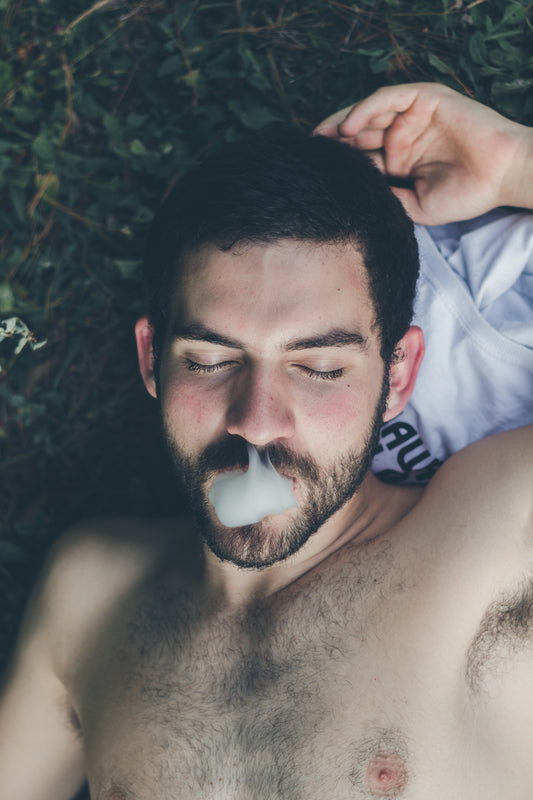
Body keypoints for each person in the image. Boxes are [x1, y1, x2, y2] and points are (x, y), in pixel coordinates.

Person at [1, 83, 533, 800]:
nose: (254, 420)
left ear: (399, 373)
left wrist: (511, 164)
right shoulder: (91, 592)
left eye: (317, 368)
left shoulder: (498, 530)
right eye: (210, 361)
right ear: (150, 359)